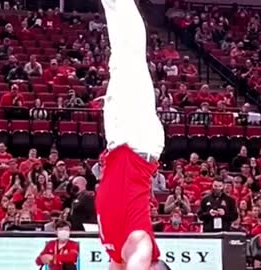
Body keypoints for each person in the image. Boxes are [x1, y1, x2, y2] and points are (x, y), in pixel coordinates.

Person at [95, 1, 170, 269]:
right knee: (132, 55)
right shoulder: (141, 245)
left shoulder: (118, 255)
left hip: (119, 141)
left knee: (120, 60)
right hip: (138, 141)